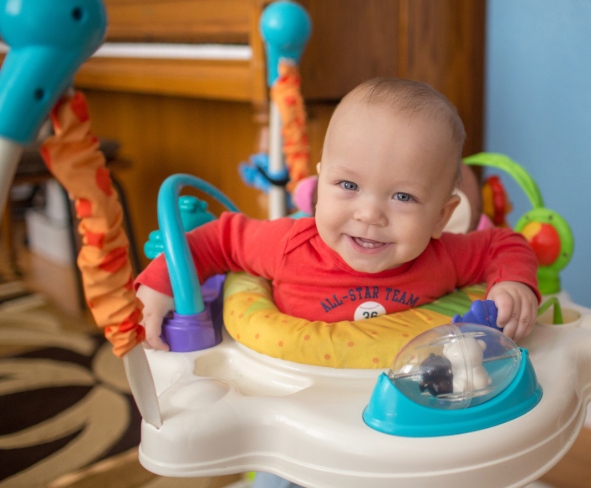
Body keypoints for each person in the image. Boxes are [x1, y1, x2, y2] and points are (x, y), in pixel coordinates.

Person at [135, 78, 541, 352]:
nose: (369, 214)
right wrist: (161, 283)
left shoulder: (444, 257)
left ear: (441, 217)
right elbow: (217, 240)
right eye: (348, 185)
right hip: (297, 402)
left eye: (403, 196)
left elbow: (504, 243)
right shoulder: (288, 247)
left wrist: (514, 284)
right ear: (320, 184)